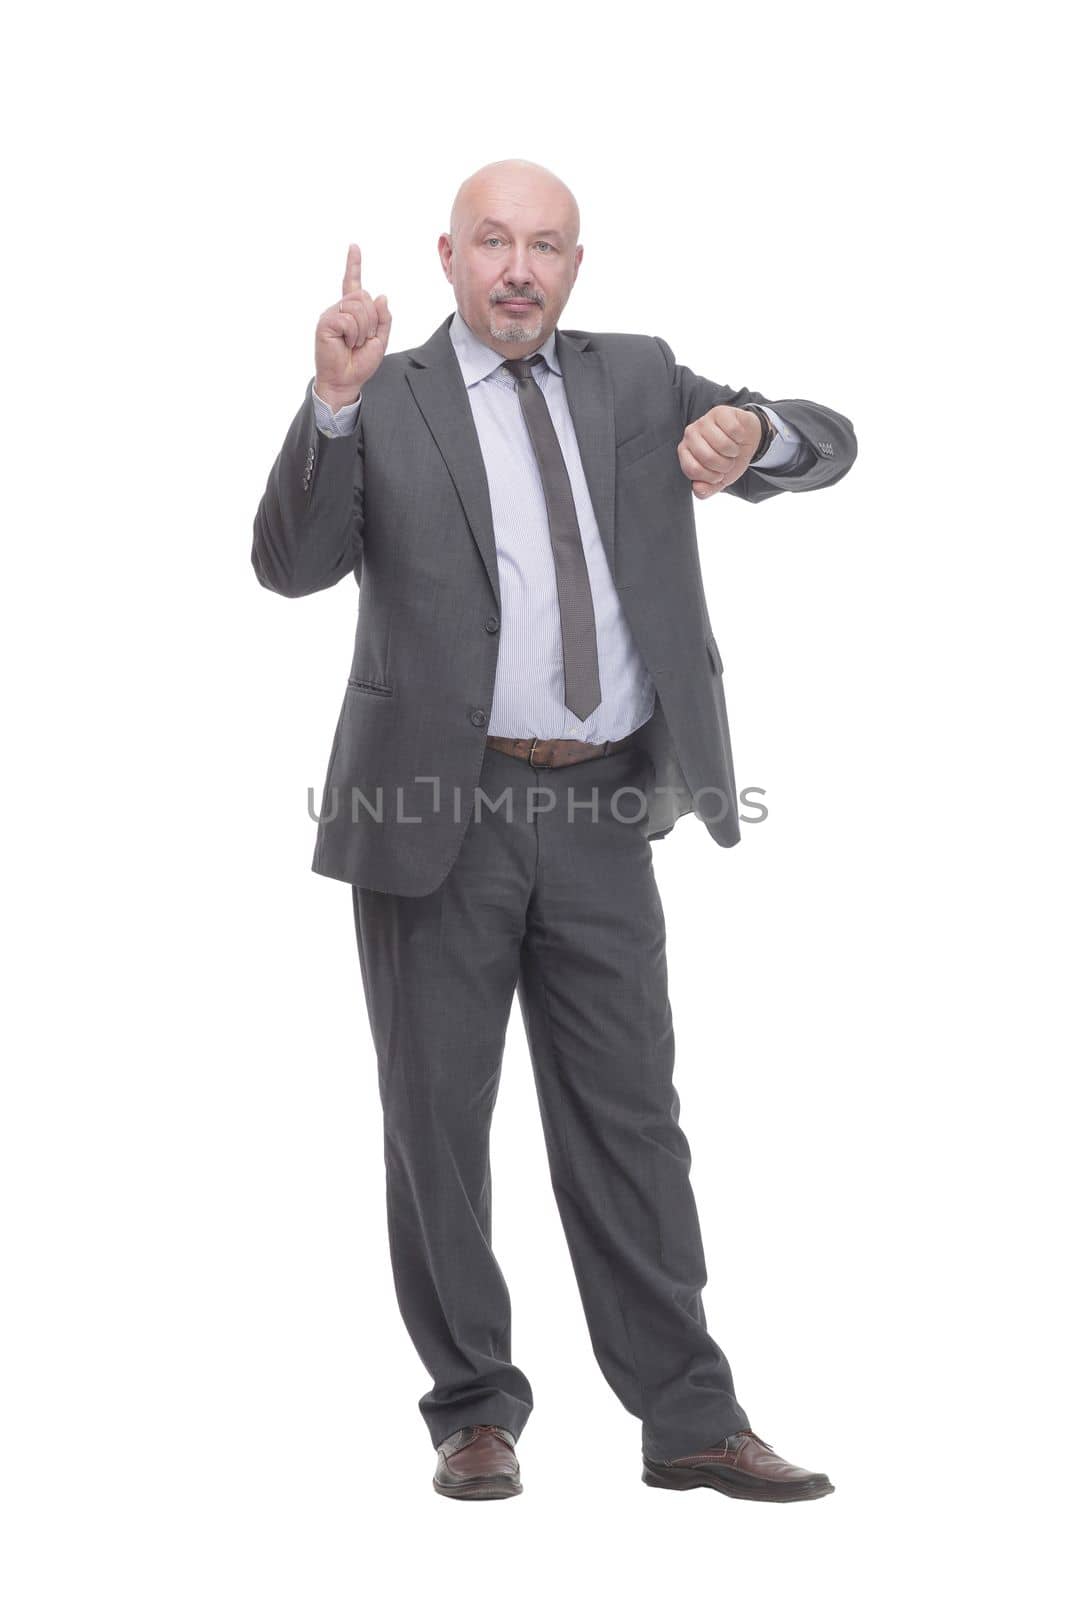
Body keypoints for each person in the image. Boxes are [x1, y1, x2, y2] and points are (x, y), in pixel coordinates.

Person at [251, 158, 856, 1502]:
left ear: (574, 266)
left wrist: (761, 436)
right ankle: (474, 1407)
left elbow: (826, 435)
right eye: (492, 242)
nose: (519, 266)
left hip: (603, 806)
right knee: (437, 1120)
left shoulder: (639, 380)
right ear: (451, 258)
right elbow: (288, 563)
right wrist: (332, 407)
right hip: (433, 806)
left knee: (633, 1118)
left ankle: (690, 1417)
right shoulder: (389, 395)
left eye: (547, 245)